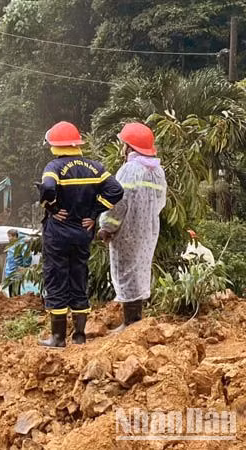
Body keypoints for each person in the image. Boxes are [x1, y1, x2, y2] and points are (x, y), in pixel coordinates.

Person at [38, 121, 123, 348]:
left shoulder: (53, 168)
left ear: (55, 145)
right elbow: (116, 191)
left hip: (58, 234)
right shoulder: (95, 167)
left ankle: (57, 337)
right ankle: (79, 335)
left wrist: (53, 208)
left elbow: (47, 188)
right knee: (79, 278)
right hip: (82, 233)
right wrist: (95, 212)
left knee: (57, 279)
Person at [98, 122, 166, 333]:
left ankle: (130, 323)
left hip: (127, 231)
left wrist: (107, 227)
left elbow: (118, 203)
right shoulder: (157, 171)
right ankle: (135, 320)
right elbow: (160, 202)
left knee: (126, 273)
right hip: (148, 230)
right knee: (139, 271)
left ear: (128, 146)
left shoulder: (129, 170)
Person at [4, 229, 32, 297]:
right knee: (11, 291)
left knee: (16, 292)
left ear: (15, 237)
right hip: (10, 272)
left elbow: (27, 256)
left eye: (10, 236)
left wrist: (24, 266)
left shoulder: (21, 245)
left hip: (16, 271)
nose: (9, 238)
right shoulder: (12, 245)